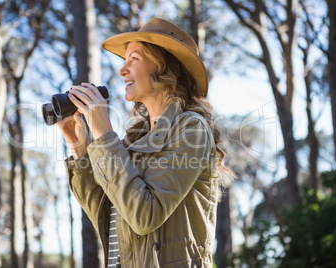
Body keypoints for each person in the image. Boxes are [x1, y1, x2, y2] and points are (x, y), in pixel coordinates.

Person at [57, 17, 228, 268]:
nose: (122, 70)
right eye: (124, 61)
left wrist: (104, 135)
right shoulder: (133, 140)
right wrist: (79, 148)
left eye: (133, 59)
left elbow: (144, 216)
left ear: (163, 67)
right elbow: (107, 217)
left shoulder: (191, 128)